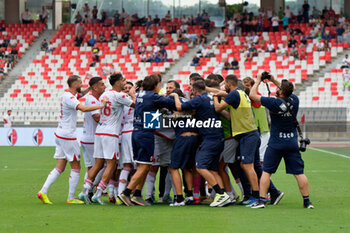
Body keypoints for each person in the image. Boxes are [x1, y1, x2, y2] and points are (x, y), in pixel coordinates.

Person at [209, 75, 283, 206]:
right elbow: (222, 95)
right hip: (250, 134)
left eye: (224, 84)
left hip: (247, 135)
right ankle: (267, 193)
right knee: (251, 166)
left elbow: (218, 108)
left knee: (246, 166)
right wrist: (210, 89)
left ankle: (257, 196)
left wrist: (214, 96)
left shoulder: (234, 94)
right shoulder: (240, 93)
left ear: (228, 83)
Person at [37, 75, 108, 205]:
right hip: (68, 136)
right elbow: (83, 108)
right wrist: (101, 105)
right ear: (74, 84)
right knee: (76, 167)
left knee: (60, 167)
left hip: (60, 133)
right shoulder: (69, 98)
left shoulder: (69, 95)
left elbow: (80, 94)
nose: (82, 85)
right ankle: (71, 198)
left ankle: (43, 191)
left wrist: (89, 88)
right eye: (80, 83)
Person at [249, 73, 314, 209]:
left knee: (266, 171)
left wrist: (258, 81)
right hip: (291, 142)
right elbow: (285, 90)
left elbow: (252, 95)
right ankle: (307, 202)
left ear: (280, 91)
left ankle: (261, 201)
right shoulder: (295, 100)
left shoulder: (273, 102)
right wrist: (272, 80)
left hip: (275, 143)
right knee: (299, 173)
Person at [118, 74, 175, 206]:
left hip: (137, 132)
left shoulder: (141, 95)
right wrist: (175, 96)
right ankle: (126, 193)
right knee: (145, 166)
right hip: (146, 134)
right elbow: (172, 104)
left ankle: (137, 194)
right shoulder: (153, 97)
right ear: (156, 85)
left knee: (143, 165)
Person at [171, 80, 231, 207]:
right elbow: (223, 96)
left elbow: (179, 107)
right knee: (213, 170)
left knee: (200, 167)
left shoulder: (199, 99)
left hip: (210, 138)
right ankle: (225, 196)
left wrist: (175, 96)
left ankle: (221, 194)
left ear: (194, 90)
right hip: (219, 137)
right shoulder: (210, 97)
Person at [80, 73, 135, 205]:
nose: (124, 82)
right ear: (117, 83)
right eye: (122, 80)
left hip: (99, 132)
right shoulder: (119, 95)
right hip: (111, 133)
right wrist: (133, 94)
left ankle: (84, 191)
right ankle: (98, 193)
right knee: (111, 164)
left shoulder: (104, 95)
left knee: (98, 163)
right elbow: (134, 105)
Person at [79, 77, 106, 200]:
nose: (104, 86)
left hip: (89, 137)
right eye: (101, 84)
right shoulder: (91, 99)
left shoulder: (93, 99)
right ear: (95, 87)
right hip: (92, 138)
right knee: (102, 165)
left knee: (93, 166)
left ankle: (87, 191)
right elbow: (96, 117)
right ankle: (88, 190)